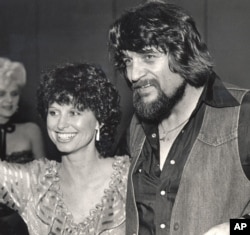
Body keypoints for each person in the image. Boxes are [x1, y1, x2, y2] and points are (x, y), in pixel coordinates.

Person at [108, 1, 250, 235]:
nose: (133, 74)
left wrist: (234, 229)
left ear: (182, 54)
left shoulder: (243, 114)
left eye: (149, 56)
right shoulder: (137, 125)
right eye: (127, 61)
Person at [0, 62, 129, 235]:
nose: (60, 124)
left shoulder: (128, 178)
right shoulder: (35, 183)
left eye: (74, 112)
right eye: (54, 112)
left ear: (100, 119)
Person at [0, 57, 45, 235]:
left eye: (14, 93)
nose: (9, 100)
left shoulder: (31, 131)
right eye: (1, 94)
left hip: (23, 224)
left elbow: (44, 183)